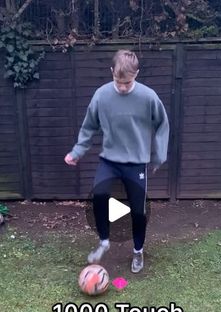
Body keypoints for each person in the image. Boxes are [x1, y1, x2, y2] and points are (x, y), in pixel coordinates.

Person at [64, 49, 169, 273]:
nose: (122, 87)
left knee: (138, 210)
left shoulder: (148, 97)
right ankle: (104, 241)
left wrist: (159, 154)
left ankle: (138, 251)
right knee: (99, 195)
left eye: (127, 82)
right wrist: (77, 151)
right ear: (112, 72)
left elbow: (162, 123)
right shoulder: (101, 96)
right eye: (118, 81)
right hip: (110, 160)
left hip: (136, 162)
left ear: (136, 74)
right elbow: (89, 125)